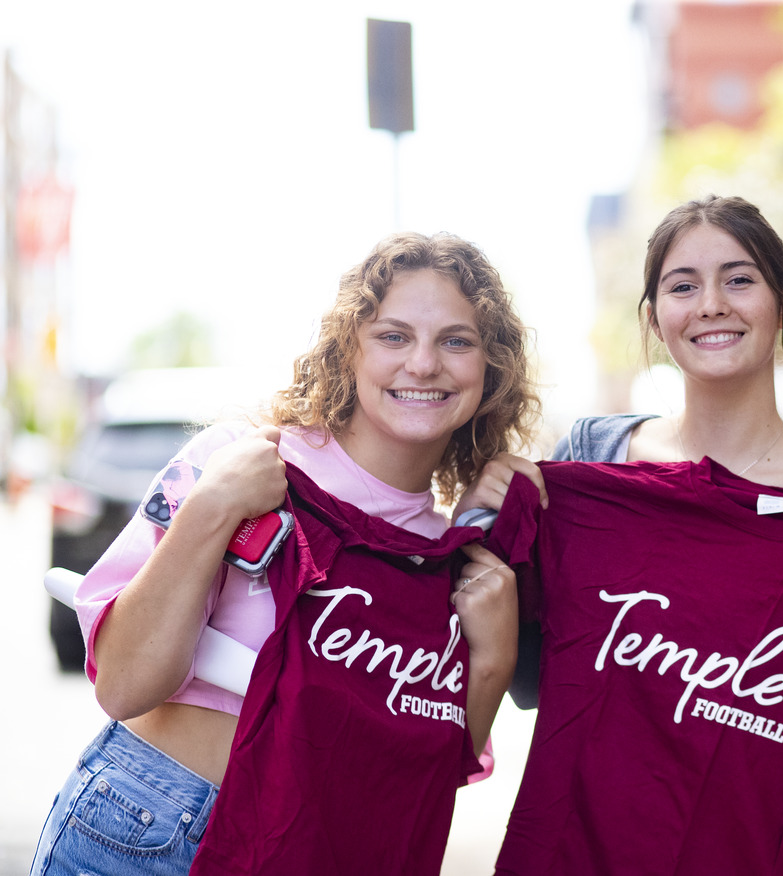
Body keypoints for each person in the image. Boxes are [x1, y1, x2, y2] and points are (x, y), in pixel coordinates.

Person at [469, 195, 783, 875]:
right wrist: (485, 524)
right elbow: (536, 678)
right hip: (574, 849)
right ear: (655, 318)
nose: (711, 303)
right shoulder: (593, 458)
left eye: (739, 280)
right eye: (682, 286)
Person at [30, 231, 539, 876]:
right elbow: (126, 685)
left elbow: (414, 779)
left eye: (456, 341)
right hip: (152, 831)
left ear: (490, 370)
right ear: (346, 349)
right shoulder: (243, 465)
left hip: (315, 849)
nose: (423, 363)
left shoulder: (452, 560)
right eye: (392, 336)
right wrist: (210, 510)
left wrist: (493, 658)